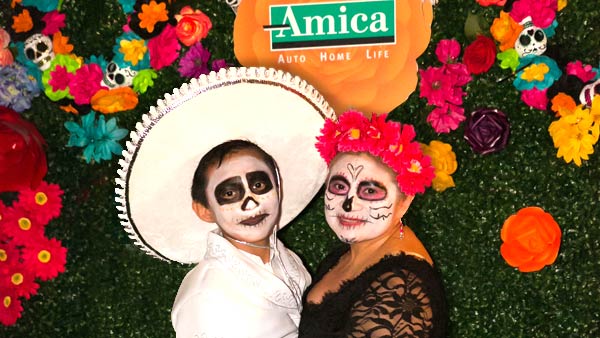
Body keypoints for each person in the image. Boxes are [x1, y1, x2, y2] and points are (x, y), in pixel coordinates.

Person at [114, 67, 336, 338]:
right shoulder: (205, 295)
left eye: (258, 184)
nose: (250, 202)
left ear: (278, 186)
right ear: (205, 210)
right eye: (229, 193)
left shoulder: (285, 260)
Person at [299, 110, 448, 338]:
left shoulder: (401, 285)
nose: (349, 204)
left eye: (370, 191)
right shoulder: (346, 254)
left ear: (404, 201)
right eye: (339, 187)